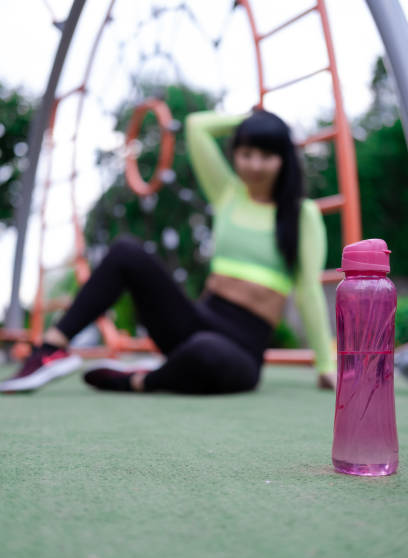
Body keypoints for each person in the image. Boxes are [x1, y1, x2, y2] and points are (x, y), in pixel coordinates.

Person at [0, 109, 336, 395]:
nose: (254, 165)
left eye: (267, 155)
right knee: (126, 252)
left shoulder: (300, 214)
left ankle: (139, 379)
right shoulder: (228, 193)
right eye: (247, 153)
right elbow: (196, 126)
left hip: (240, 350)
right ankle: (51, 349)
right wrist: (252, 119)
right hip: (196, 322)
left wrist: (325, 364)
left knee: (205, 352)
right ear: (236, 154)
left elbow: (308, 290)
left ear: (284, 159)